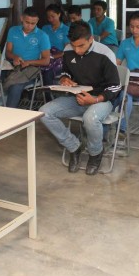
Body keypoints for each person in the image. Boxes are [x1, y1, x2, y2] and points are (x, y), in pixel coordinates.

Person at [39, 21, 121, 175]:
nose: (76, 50)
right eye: (73, 45)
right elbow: (67, 71)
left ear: (91, 39)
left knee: (90, 118)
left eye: (81, 46)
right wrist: (64, 78)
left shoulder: (106, 53)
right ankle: (74, 147)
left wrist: (95, 100)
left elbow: (115, 87)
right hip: (78, 96)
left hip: (102, 98)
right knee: (44, 112)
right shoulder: (69, 50)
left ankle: (95, 153)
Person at [3, 6, 51, 108]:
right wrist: (15, 57)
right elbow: (8, 52)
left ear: (37, 21)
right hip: (13, 66)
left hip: (31, 69)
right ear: (21, 19)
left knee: (15, 86)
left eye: (33, 23)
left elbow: (46, 60)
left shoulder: (42, 36)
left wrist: (29, 62)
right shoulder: (13, 30)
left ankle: (9, 115)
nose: (29, 26)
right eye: (27, 22)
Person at [41, 4, 70, 89]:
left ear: (59, 14)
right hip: (46, 54)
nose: (50, 19)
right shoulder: (45, 28)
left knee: (48, 72)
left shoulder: (66, 29)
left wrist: (53, 56)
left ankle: (49, 98)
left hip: (60, 57)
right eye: (48, 17)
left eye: (53, 16)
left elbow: (66, 51)